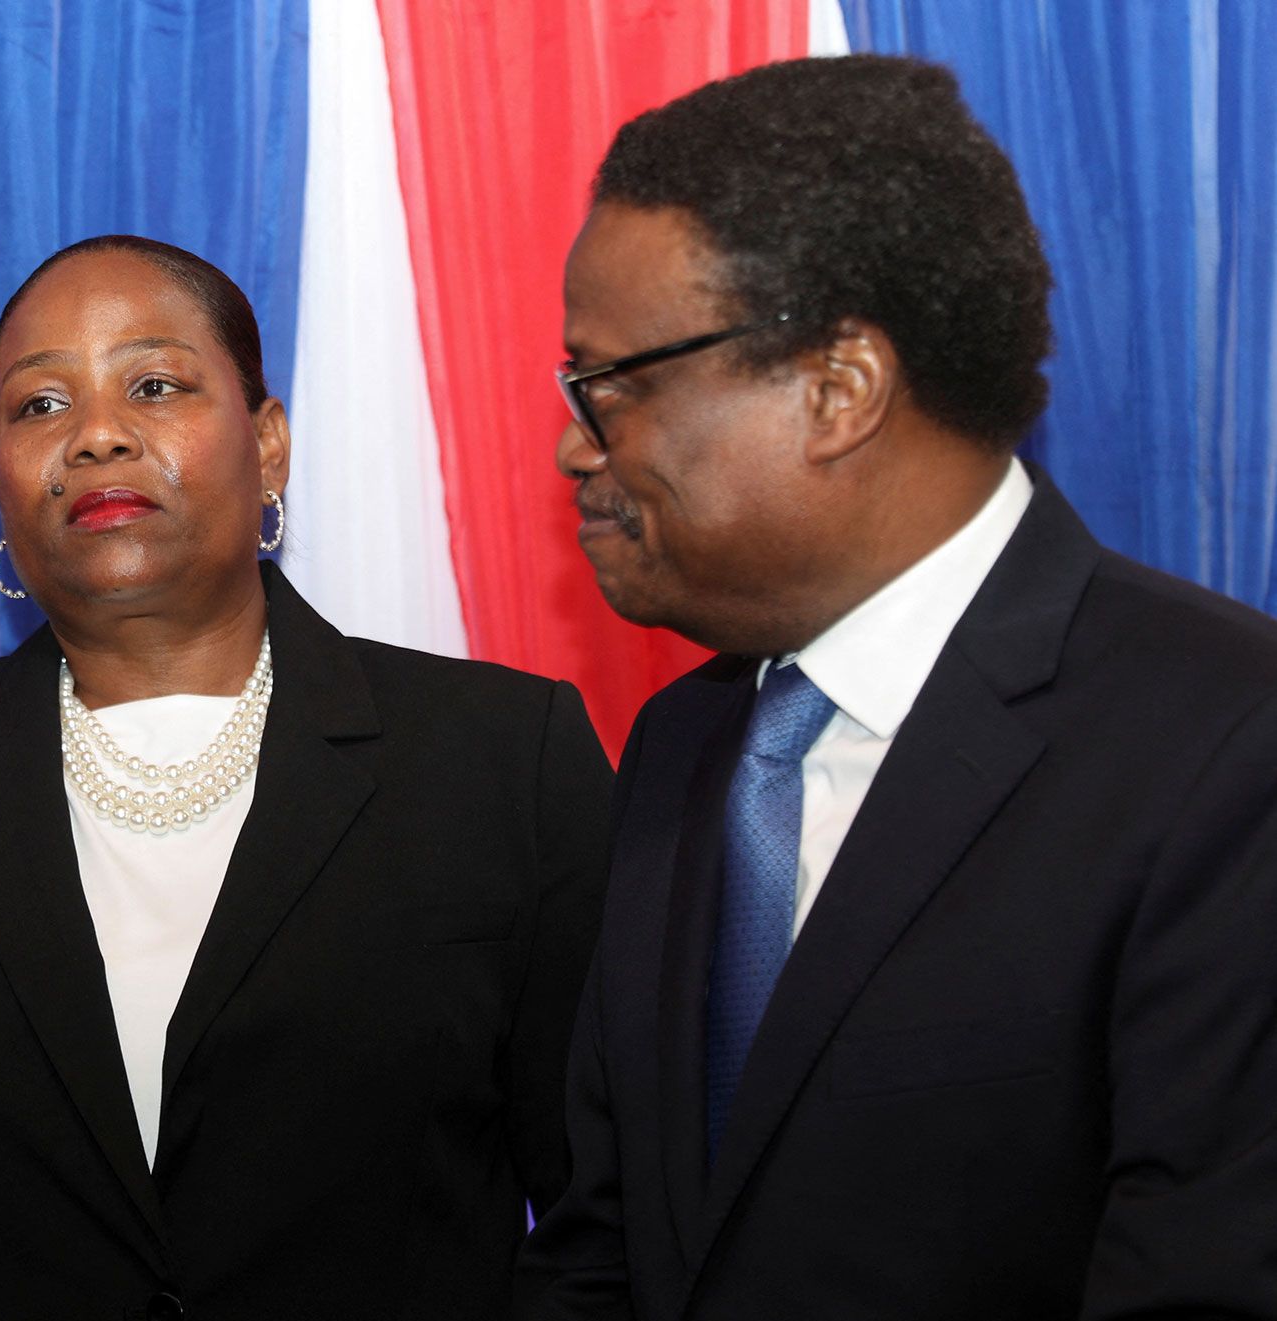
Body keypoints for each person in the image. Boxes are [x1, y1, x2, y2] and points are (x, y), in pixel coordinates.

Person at [0, 235, 614, 1318]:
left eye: (154, 385)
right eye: (38, 405)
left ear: (266, 444)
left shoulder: (502, 755)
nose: (95, 436)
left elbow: (605, 1212)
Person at [519, 55, 1277, 1319]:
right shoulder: (682, 740)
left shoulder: (1224, 747)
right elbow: (606, 1248)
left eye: (615, 385)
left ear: (837, 389)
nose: (571, 441)